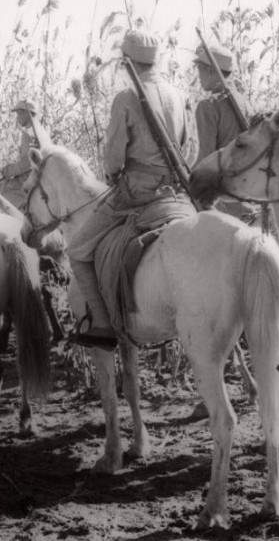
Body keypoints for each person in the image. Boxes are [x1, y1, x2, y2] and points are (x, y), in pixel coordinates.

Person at [67, 29, 197, 349]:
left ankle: (100, 323)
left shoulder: (126, 98)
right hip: (176, 195)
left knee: (78, 251)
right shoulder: (180, 96)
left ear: (127, 62)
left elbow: (114, 156)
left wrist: (113, 174)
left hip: (136, 194)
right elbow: (191, 150)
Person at [192, 43, 258, 223]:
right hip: (247, 193)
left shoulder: (207, 106)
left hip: (222, 197)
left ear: (212, 71)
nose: (198, 76)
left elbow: (206, 159)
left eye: (200, 69)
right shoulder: (245, 102)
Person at [0, 99, 50, 208]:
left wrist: (9, 170)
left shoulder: (31, 134)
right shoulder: (41, 131)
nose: (18, 117)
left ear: (28, 113)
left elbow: (28, 163)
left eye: (20, 113)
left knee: (2, 196)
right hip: (37, 176)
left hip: (31, 179)